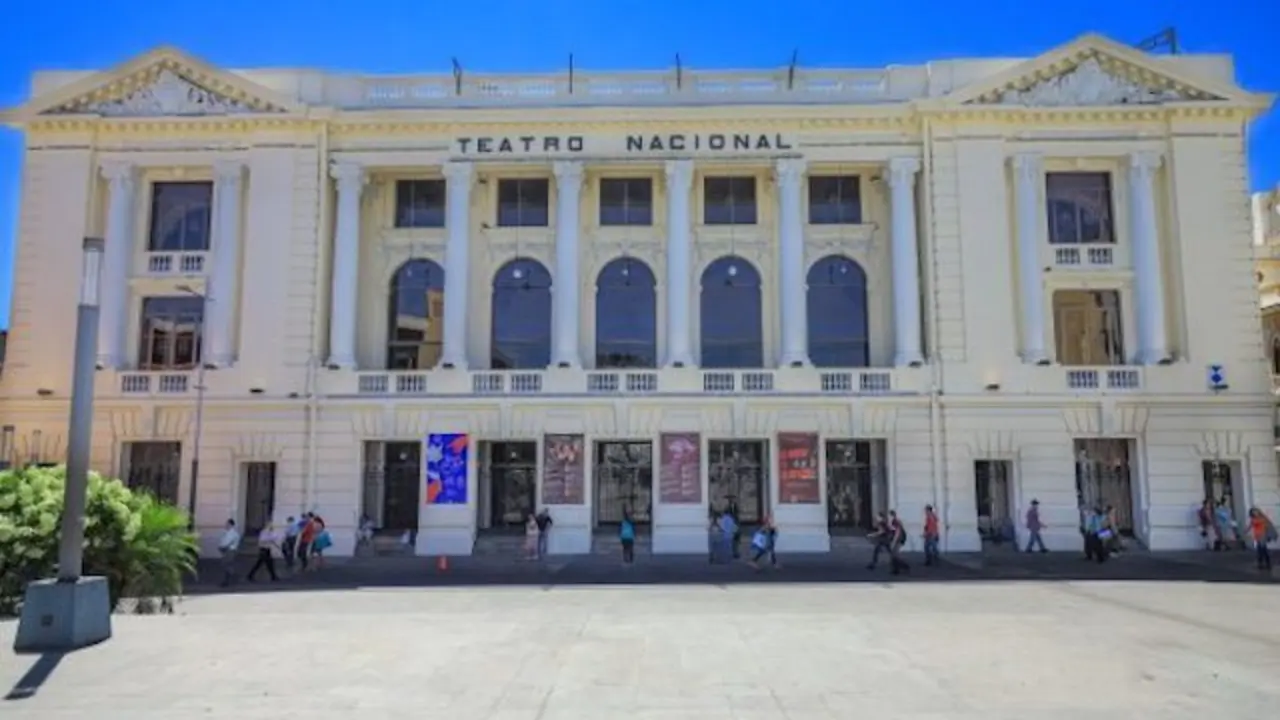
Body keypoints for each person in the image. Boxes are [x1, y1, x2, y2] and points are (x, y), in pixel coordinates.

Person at [1247, 507, 1276, 571]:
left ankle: (1266, 563)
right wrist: (1246, 531)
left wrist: (1269, 534)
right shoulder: (1253, 519)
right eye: (1253, 512)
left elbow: (1268, 526)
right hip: (1257, 535)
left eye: (1256, 512)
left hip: (1263, 535)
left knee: (1262, 549)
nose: (1255, 513)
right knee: (1259, 549)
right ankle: (1261, 563)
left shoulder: (1263, 518)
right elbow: (1250, 526)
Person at [217, 519, 241, 587]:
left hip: (230, 550)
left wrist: (222, 547)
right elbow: (223, 540)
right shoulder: (227, 532)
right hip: (228, 550)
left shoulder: (232, 533)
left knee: (226, 564)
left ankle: (230, 578)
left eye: (227, 524)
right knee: (227, 565)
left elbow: (227, 542)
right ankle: (231, 578)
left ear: (231, 525)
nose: (226, 525)